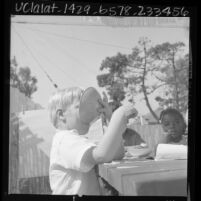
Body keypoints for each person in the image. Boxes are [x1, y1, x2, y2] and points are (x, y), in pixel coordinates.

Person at [48, 87, 138, 196]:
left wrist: (109, 118)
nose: (88, 112)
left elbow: (116, 154)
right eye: (79, 107)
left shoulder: (78, 140)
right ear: (61, 115)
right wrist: (118, 116)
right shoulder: (64, 139)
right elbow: (101, 155)